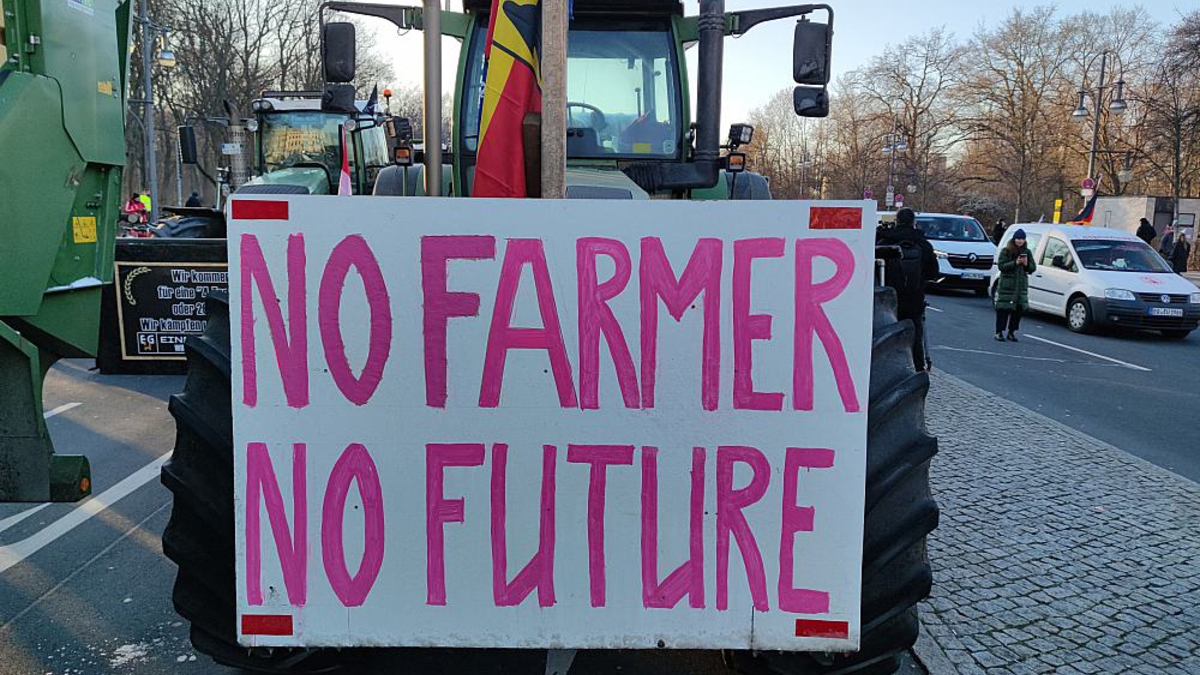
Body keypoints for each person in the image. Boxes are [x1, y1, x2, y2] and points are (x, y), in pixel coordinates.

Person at [877, 207, 939, 371]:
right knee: (915, 335)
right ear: (914, 222)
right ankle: (917, 369)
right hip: (914, 300)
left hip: (887, 301)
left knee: (885, 335)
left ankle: (887, 369)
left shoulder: (884, 241)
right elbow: (933, 273)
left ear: (896, 221)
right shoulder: (923, 244)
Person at [994, 228, 1036, 342]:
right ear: (1014, 239)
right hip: (1007, 286)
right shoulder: (1006, 251)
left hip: (1020, 286)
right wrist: (1015, 263)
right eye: (1018, 239)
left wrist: (1026, 264)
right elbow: (1001, 266)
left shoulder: (1027, 252)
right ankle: (999, 332)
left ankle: (1011, 332)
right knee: (1003, 309)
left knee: (1018, 310)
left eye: (1022, 239)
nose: (1020, 241)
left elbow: (1033, 268)